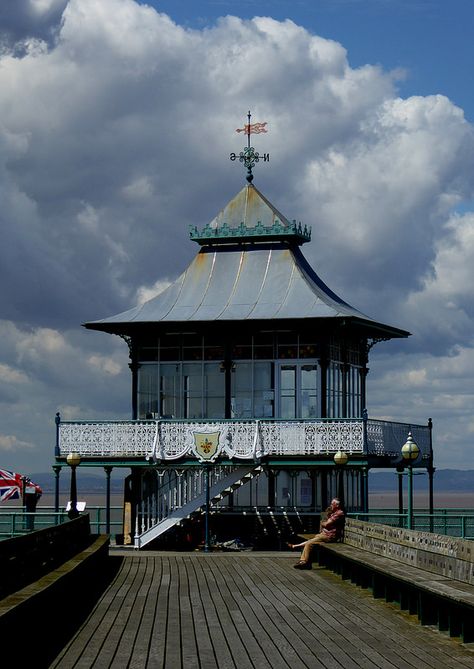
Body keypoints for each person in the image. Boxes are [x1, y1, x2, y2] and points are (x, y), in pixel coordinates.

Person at [288, 498, 345, 569]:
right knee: (311, 541)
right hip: (325, 534)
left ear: (337, 505)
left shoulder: (339, 513)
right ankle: (302, 559)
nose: (331, 505)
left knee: (309, 543)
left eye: (332, 504)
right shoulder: (334, 513)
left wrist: (323, 523)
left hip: (329, 536)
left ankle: (304, 561)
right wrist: (326, 518)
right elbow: (326, 522)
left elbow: (326, 524)